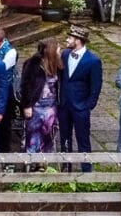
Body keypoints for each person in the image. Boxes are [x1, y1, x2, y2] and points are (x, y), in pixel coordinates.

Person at [58, 25, 103, 172]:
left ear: (78, 40)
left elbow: (96, 86)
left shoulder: (93, 60)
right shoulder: (64, 55)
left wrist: (88, 105)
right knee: (64, 137)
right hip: (64, 105)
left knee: (83, 138)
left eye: (70, 37)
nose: (67, 39)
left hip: (81, 107)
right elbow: (60, 77)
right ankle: (66, 166)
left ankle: (86, 169)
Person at [20, 38, 62, 154]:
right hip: (36, 107)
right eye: (58, 48)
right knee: (33, 136)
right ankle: (30, 161)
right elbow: (26, 86)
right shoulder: (32, 64)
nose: (60, 50)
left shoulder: (57, 65)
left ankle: (43, 163)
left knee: (48, 136)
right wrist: (27, 105)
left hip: (51, 108)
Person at [0, 27, 19, 153]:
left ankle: (4, 152)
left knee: (4, 124)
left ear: (1, 41)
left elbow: (0, 69)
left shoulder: (11, 52)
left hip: (5, 90)